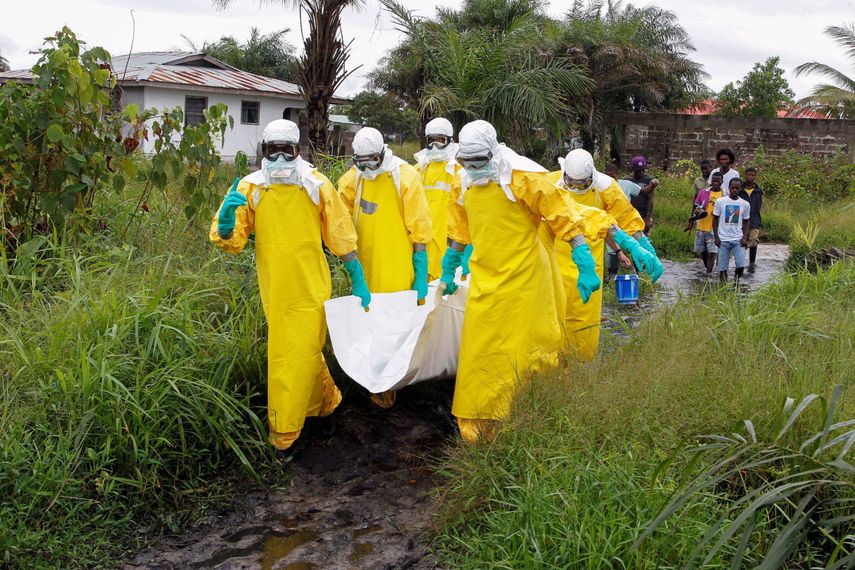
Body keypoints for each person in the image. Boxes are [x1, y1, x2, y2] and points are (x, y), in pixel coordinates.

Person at [209, 119, 371, 454]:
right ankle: (327, 406)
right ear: (264, 151)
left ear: (298, 151)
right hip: (275, 288)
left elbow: (340, 233)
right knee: (304, 352)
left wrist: (357, 276)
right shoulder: (250, 187)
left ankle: (285, 431)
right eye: (273, 150)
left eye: (288, 150)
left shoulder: (316, 184)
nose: (280, 158)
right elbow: (232, 240)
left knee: (291, 354)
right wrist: (226, 226)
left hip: (312, 286)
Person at [437, 120, 603, 443]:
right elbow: (459, 230)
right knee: (480, 351)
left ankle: (531, 413)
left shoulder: (523, 177)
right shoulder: (463, 182)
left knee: (528, 350)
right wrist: (449, 265)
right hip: (486, 278)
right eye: (466, 162)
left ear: (493, 152)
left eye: (478, 162)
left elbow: (562, 216)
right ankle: (479, 422)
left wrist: (584, 262)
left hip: (527, 279)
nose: (472, 168)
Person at [338, 126, 433, 409]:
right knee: (367, 324)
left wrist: (420, 271)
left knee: (394, 327)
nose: (367, 168)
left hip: (396, 267)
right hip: (364, 267)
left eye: (372, 161)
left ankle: (389, 385)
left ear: (383, 154)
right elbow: (338, 218)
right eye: (360, 162)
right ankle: (369, 377)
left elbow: (420, 229)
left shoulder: (404, 177)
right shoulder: (352, 180)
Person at [549, 149, 664, 361]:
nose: (576, 188)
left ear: (591, 177)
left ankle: (579, 365)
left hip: (590, 264)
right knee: (553, 317)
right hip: (555, 261)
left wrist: (644, 244)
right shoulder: (549, 184)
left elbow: (626, 217)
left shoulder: (607, 188)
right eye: (572, 184)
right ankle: (553, 368)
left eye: (582, 185)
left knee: (584, 320)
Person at [413, 117, 467, 281]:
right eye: (431, 140)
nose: (435, 146)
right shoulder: (417, 170)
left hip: (450, 244)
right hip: (422, 244)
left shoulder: (460, 171)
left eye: (440, 141)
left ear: (450, 141)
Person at [713, 177, 751, 283]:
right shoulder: (720, 202)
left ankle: (736, 283)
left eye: (737, 188)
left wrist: (744, 238)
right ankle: (723, 288)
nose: (734, 190)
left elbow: (746, 222)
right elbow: (715, 219)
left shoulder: (745, 204)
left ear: (740, 189)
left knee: (741, 265)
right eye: (732, 188)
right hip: (723, 239)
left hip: (738, 239)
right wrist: (716, 237)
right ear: (729, 188)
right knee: (722, 267)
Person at [687, 171, 724, 273]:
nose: (716, 183)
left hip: (715, 227)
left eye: (718, 181)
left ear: (722, 182)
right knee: (702, 251)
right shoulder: (703, 192)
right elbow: (696, 206)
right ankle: (708, 270)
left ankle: (708, 274)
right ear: (711, 181)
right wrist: (697, 212)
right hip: (702, 225)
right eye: (714, 180)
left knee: (712, 252)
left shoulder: (724, 195)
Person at [625, 155, 658, 235]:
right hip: (630, 217)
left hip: (643, 216)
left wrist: (648, 219)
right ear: (633, 169)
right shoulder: (627, 180)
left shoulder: (648, 180)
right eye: (638, 171)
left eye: (642, 170)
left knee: (644, 240)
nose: (640, 173)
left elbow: (650, 200)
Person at [739, 167, 763, 271]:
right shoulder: (740, 190)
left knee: (753, 240)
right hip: (741, 221)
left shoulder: (758, 191)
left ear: (755, 176)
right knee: (742, 241)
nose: (750, 177)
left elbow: (759, 205)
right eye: (748, 175)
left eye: (752, 175)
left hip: (754, 219)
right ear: (745, 175)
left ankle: (752, 263)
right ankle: (741, 262)